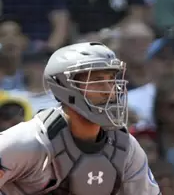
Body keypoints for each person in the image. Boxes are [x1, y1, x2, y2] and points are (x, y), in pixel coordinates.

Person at [0, 42, 160, 194]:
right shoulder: (25, 143)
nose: (109, 92)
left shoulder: (125, 146)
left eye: (111, 80)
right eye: (97, 81)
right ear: (63, 86)